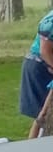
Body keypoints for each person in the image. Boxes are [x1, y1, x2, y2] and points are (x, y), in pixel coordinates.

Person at [21, 7, 53, 138]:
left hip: (47, 65)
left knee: (43, 113)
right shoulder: (50, 22)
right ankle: (35, 146)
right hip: (40, 67)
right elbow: (44, 51)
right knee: (43, 114)